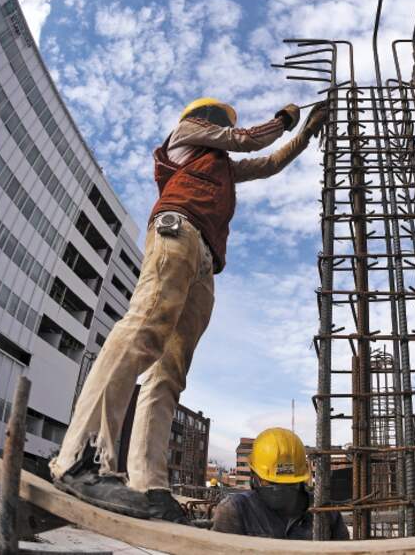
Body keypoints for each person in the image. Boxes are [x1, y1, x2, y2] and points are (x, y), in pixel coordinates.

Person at [48, 98, 327, 521]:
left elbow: (269, 163)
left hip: (205, 261)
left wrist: (304, 134)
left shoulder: (222, 168)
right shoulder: (187, 135)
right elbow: (247, 139)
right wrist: (285, 120)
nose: (225, 131)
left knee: (170, 371)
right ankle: (80, 457)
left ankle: (148, 485)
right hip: (177, 231)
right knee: (144, 330)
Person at [211, 427, 350, 540]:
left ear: (254, 474)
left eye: (288, 484)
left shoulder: (325, 511)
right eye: (271, 483)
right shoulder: (236, 510)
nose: (280, 490)